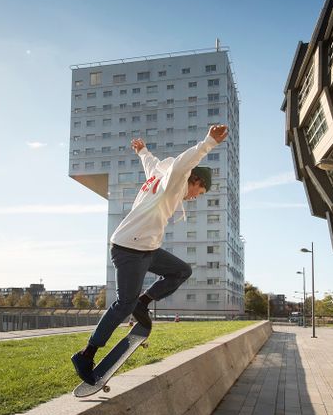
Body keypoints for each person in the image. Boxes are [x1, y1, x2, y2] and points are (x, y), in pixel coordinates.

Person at [71, 124, 229, 383]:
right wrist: (208, 143)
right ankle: (86, 355)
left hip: (147, 248)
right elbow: (181, 165)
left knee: (181, 271)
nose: (193, 198)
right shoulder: (175, 180)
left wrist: (142, 150)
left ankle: (143, 303)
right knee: (123, 304)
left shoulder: (158, 174)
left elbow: (151, 163)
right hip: (130, 249)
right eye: (197, 193)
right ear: (196, 180)